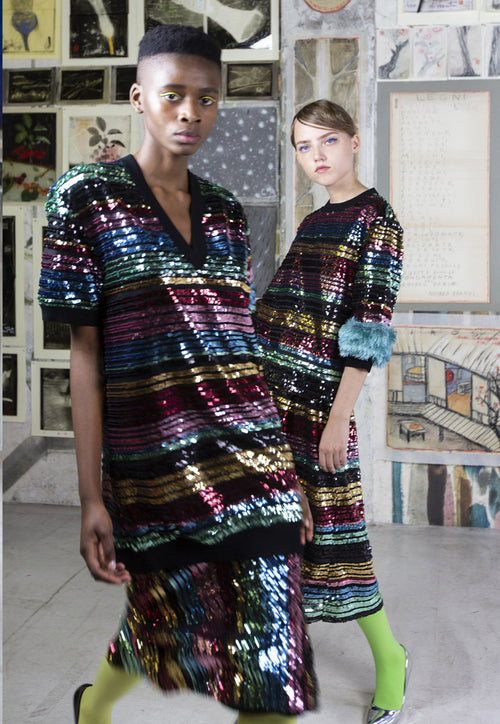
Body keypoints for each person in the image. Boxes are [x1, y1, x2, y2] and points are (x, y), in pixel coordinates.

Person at [38, 25, 317, 724]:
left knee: (274, 667)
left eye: (207, 98)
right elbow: (84, 355)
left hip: (250, 456)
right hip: (153, 470)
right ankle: (93, 711)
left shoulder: (226, 211)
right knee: (163, 616)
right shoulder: (84, 198)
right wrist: (91, 497)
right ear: (140, 98)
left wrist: (286, 472)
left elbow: (239, 346)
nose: (192, 112)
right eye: (174, 95)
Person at [255, 100, 407, 724]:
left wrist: (339, 417)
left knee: (337, 538)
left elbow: (369, 330)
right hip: (275, 399)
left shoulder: (378, 220)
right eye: (303, 145)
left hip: (320, 406)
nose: (315, 155)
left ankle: (391, 661)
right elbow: (286, 302)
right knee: (280, 537)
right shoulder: (316, 219)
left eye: (328, 141)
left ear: (354, 141)